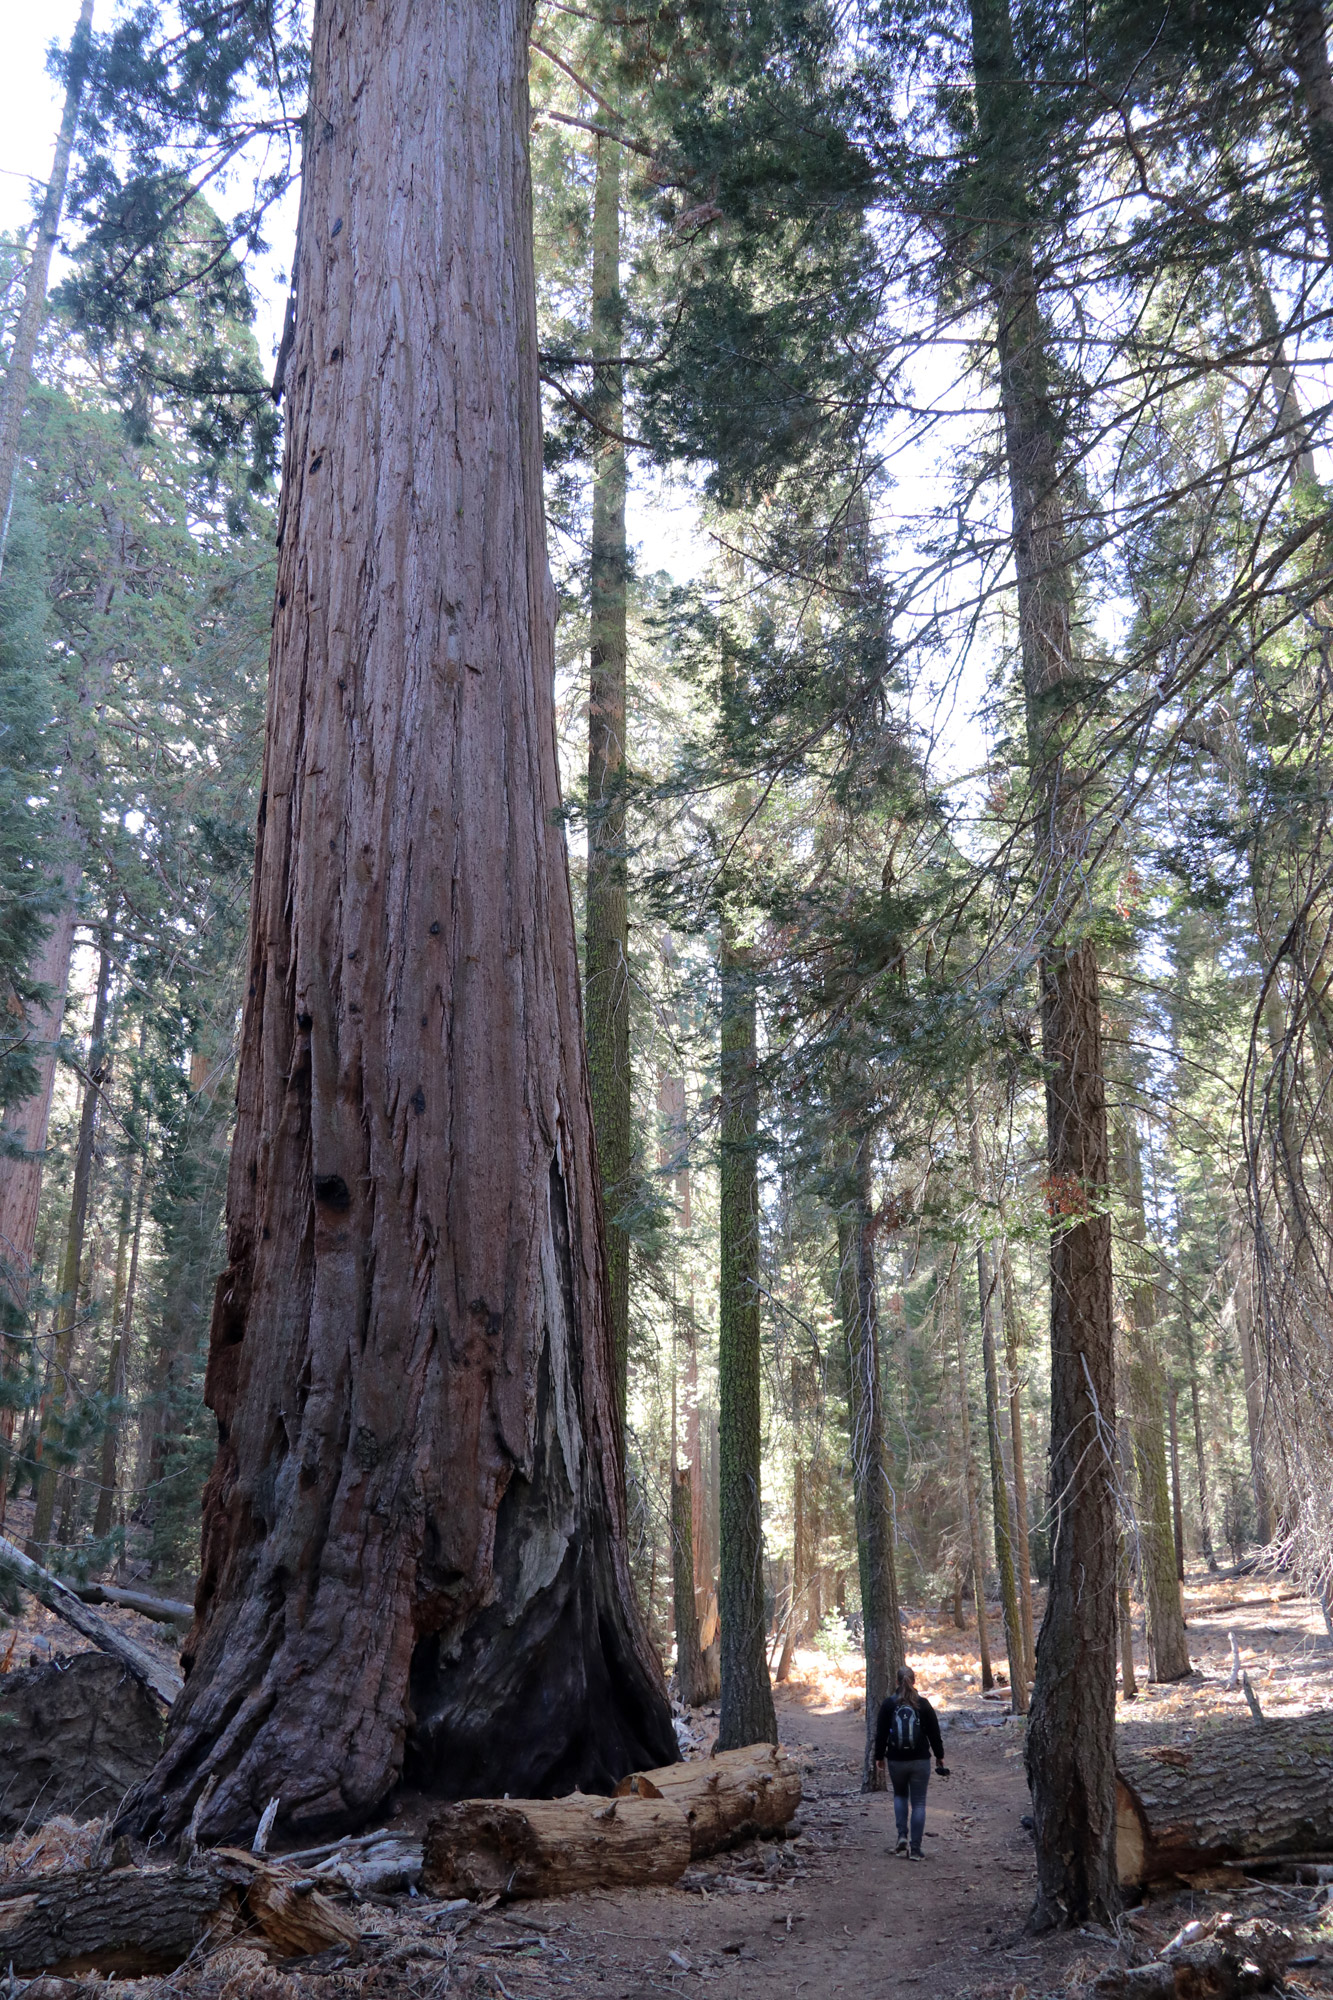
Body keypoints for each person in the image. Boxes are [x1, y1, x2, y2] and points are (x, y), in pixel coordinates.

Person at [873, 1664, 949, 1858]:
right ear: (914, 1682)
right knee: (919, 1803)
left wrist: (879, 1756)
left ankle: (901, 1837)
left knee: (900, 1796)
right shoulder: (923, 1704)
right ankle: (915, 1849)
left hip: (896, 1760)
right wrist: (940, 1756)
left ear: (897, 1682)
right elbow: (934, 1733)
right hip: (920, 1760)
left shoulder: (889, 1704)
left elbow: (880, 1734)